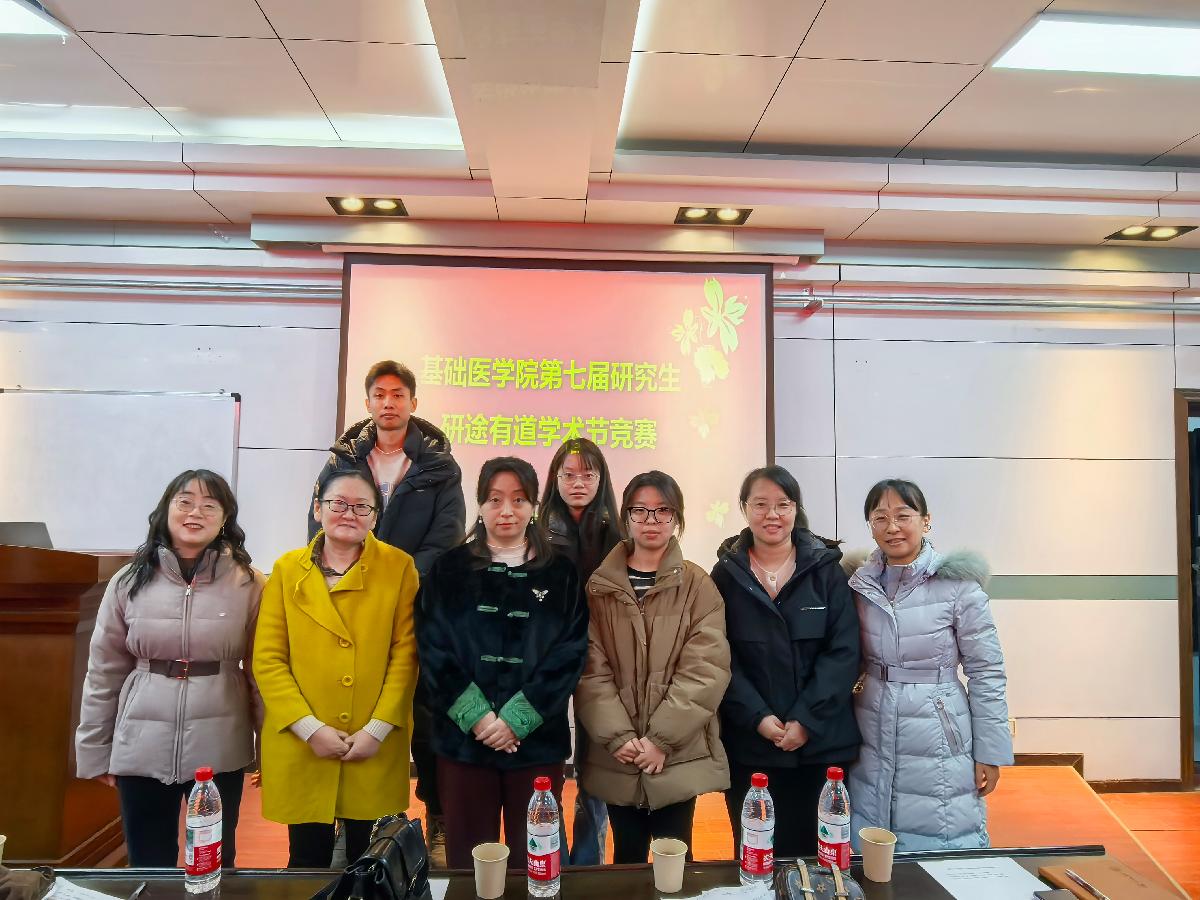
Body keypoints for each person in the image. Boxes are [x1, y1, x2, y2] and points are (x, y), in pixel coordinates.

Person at [308, 359, 464, 848]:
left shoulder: (439, 466)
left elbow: (447, 537)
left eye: (398, 395)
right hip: (352, 609)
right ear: (368, 402)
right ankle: (354, 818)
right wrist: (359, 580)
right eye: (380, 394)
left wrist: (399, 580)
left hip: (420, 607)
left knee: (427, 717)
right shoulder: (341, 463)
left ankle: (438, 817)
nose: (389, 403)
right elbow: (320, 527)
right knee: (353, 707)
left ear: (413, 402)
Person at [76, 469, 263, 867]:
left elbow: (261, 673)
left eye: (210, 505)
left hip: (219, 744)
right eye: (185, 502)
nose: (196, 512)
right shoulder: (128, 580)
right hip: (141, 741)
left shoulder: (249, 584)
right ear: (166, 510)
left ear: (225, 519)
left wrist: (270, 751)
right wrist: (95, 748)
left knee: (212, 862)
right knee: (147, 862)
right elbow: (104, 671)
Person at [416, 457, 589, 870]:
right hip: (463, 743)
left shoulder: (560, 573)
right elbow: (434, 649)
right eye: (494, 500)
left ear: (534, 506)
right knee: (469, 859)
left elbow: (568, 655)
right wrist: (478, 717)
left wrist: (516, 719)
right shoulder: (449, 570)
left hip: (535, 744)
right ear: (480, 505)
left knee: (536, 858)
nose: (506, 510)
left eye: (518, 499)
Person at [257, 469, 419, 867]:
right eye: (338, 503)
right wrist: (309, 729)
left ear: (375, 517)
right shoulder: (287, 570)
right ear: (318, 509)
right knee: (306, 859)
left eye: (362, 506)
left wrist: (376, 730)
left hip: (373, 741)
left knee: (372, 862)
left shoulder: (399, 567)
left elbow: (406, 656)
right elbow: (268, 658)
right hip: (304, 741)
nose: (349, 513)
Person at [847, 478, 1012, 851]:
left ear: (926, 520)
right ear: (870, 526)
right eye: (880, 517)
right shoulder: (859, 585)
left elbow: (986, 670)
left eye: (903, 515)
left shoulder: (957, 586)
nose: (892, 527)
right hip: (871, 717)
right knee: (870, 830)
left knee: (941, 829)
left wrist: (990, 751)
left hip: (937, 722)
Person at [575, 471, 730, 864]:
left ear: (677, 518)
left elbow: (705, 669)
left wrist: (661, 739)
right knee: (626, 859)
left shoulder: (698, 586)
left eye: (663, 511)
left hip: (677, 752)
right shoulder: (599, 588)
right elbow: (591, 672)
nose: (651, 520)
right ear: (626, 517)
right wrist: (620, 737)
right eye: (640, 510)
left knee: (675, 857)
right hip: (618, 754)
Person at [712, 465, 861, 858]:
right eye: (760, 504)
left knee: (822, 856)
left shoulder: (825, 570)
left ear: (796, 508)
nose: (772, 515)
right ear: (744, 508)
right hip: (751, 744)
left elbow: (843, 651)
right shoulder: (725, 575)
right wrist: (758, 717)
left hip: (822, 744)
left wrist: (806, 721)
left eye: (783, 504)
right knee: (757, 853)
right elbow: (718, 656)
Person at [539, 437, 623, 865]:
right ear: (555, 479)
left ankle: (588, 862)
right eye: (568, 474)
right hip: (549, 659)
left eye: (588, 475)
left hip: (602, 661)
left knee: (596, 763)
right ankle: (550, 855)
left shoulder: (619, 535)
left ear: (601, 479)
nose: (578, 483)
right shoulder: (536, 532)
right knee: (547, 759)